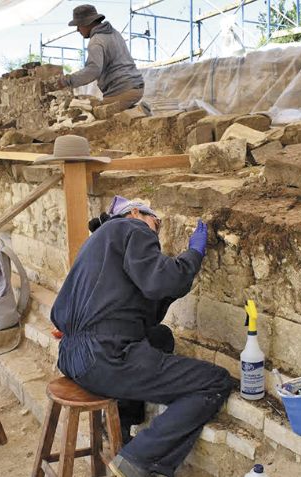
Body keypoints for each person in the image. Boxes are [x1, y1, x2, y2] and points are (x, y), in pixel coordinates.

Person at [50, 194, 232, 477]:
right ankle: (138, 460)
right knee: (214, 381)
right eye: (155, 222)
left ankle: (122, 427)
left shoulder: (96, 244)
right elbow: (161, 279)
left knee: (161, 338)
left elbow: (146, 309)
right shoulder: (130, 228)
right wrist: (193, 255)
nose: (156, 230)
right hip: (105, 358)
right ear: (135, 212)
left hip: (72, 356)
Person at [47, 4, 145, 117]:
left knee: (94, 114)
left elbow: (93, 70)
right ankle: (135, 112)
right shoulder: (114, 33)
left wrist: (67, 81)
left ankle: (141, 112)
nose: (77, 29)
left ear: (87, 23)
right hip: (136, 86)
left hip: (123, 90)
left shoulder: (96, 41)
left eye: (79, 25)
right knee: (101, 108)